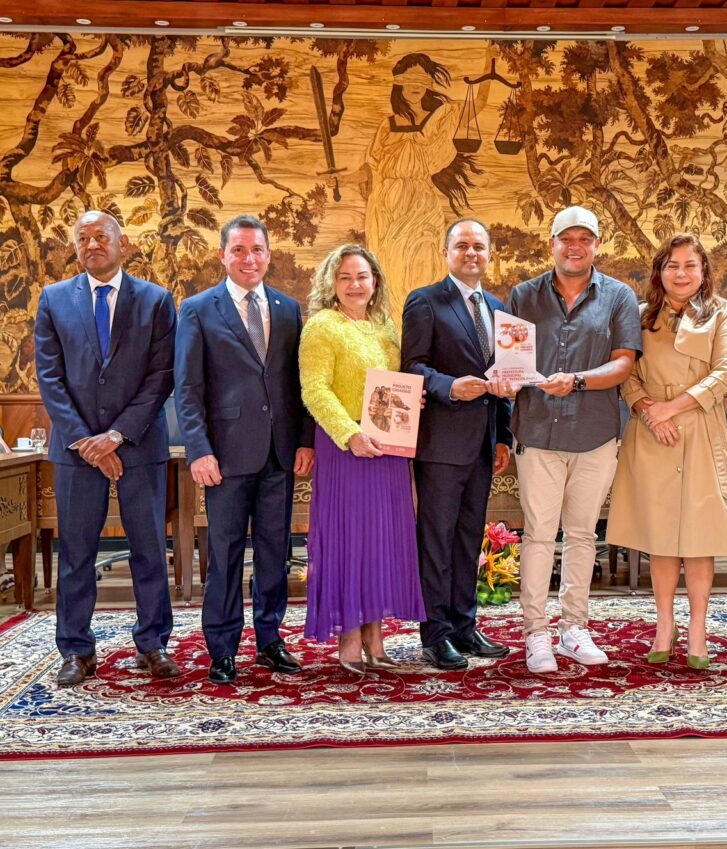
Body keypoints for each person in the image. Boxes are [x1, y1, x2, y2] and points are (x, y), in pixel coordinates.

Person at [35, 210, 179, 687]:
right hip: (76, 451)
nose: (92, 244)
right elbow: (50, 378)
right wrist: (86, 442)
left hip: (139, 443)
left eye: (102, 236)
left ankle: (153, 644)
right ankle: (76, 650)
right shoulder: (54, 299)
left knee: (149, 549)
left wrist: (116, 436)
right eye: (83, 238)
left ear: (123, 245)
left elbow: (161, 376)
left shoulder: (156, 300)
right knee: (76, 553)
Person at [499, 206, 642, 674]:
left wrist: (578, 380)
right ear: (553, 244)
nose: (574, 246)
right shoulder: (523, 295)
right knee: (539, 534)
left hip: (595, 432)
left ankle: (574, 628)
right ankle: (536, 633)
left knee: (582, 534)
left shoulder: (619, 296)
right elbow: (512, 363)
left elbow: (624, 364)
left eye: (584, 239)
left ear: (597, 245)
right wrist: (504, 379)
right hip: (537, 431)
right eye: (566, 238)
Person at [175, 215, 315, 685]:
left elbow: (301, 383)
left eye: (257, 249)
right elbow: (187, 388)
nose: (248, 258)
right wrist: (198, 449)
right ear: (223, 255)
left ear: (268, 255)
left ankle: (270, 640)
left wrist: (306, 440)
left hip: (279, 454)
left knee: (276, 552)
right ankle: (222, 648)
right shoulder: (198, 309)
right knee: (226, 553)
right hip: (225, 457)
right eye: (238, 250)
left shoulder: (288, 308)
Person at [607, 233, 727, 669]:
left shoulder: (724, 313)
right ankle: (664, 625)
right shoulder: (640, 315)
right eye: (672, 265)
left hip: (701, 429)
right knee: (660, 537)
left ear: (703, 272)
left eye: (690, 265)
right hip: (651, 434)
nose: (681, 274)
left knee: (700, 538)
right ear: (659, 272)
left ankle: (698, 629)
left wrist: (673, 407)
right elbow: (627, 375)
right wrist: (651, 412)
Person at [299, 244, 425, 675]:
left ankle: (376, 639)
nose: (355, 285)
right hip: (346, 449)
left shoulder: (385, 325)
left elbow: (396, 382)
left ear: (375, 282)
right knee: (350, 543)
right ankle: (349, 640)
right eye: (345, 277)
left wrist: (413, 399)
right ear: (331, 283)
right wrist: (349, 435)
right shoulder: (322, 326)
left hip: (388, 449)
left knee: (380, 543)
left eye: (362, 277)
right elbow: (315, 390)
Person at [401, 219, 513, 670]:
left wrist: (504, 436)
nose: (471, 253)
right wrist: (449, 386)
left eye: (479, 246)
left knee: (469, 540)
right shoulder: (425, 301)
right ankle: (435, 634)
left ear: (489, 254)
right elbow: (412, 366)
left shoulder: (499, 308)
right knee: (437, 541)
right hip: (440, 444)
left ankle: (465, 627)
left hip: (484, 444)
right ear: (446, 252)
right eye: (462, 245)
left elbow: (505, 377)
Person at [364, 52, 491, 317]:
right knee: (391, 272)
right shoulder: (387, 126)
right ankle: (396, 331)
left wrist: (489, 65)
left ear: (428, 83)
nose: (415, 85)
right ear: (399, 83)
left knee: (423, 262)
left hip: (420, 202)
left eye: (421, 79)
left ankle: (426, 326)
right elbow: (372, 167)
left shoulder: (442, 118)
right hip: (386, 208)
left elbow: (478, 104)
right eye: (409, 78)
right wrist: (340, 178)